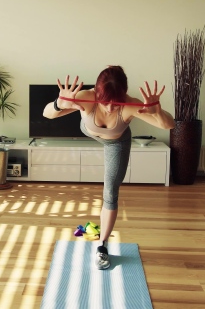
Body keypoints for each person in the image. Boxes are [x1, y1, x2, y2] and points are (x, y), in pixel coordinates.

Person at [43, 65, 175, 270]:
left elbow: (169, 125)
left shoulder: (130, 105)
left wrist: (158, 113)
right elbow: (47, 114)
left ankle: (102, 245)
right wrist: (59, 103)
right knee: (69, 108)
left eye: (116, 104)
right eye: (105, 103)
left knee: (111, 190)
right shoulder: (86, 98)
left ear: (123, 96)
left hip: (117, 142)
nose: (111, 108)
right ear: (97, 93)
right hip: (89, 130)